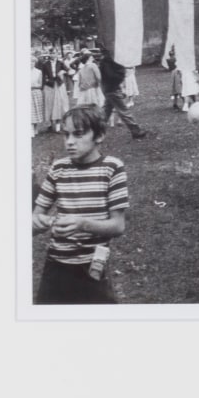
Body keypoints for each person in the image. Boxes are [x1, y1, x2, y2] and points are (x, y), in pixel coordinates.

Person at [32, 107, 128, 304]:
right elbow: (35, 217)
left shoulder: (112, 168)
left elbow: (118, 226)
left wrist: (83, 224)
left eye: (78, 134)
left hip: (93, 267)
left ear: (99, 135)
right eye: (66, 135)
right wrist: (38, 223)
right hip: (56, 265)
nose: (69, 142)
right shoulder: (59, 169)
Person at [99, 54, 148, 139]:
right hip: (112, 89)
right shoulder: (108, 61)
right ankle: (136, 131)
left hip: (109, 88)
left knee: (106, 111)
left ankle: (96, 130)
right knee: (123, 110)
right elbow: (112, 76)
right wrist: (121, 73)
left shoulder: (107, 60)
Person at [30, 55, 44, 136]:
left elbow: (40, 84)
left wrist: (33, 86)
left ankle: (35, 128)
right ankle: (31, 130)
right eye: (29, 62)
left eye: (32, 62)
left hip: (36, 92)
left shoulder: (38, 72)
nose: (31, 63)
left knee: (36, 111)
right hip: (28, 93)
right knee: (30, 111)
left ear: (35, 63)